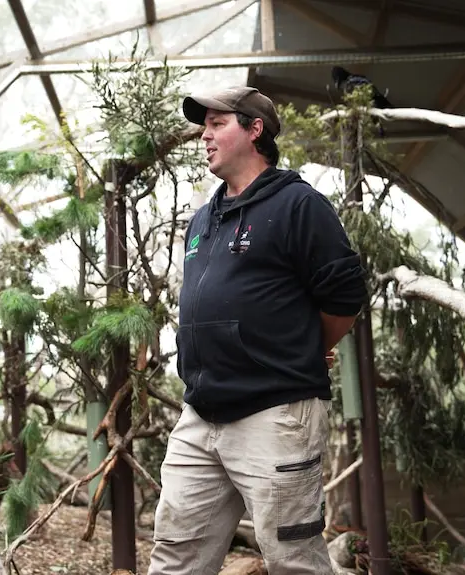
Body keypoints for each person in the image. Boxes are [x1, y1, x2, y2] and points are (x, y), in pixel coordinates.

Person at [147, 86, 368, 574]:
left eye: (216, 124)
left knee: (293, 560)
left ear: (255, 129)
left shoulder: (298, 205)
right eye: (203, 126)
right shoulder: (203, 219)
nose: (203, 135)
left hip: (276, 412)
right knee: (175, 556)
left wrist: (307, 349)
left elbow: (345, 297)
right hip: (200, 415)